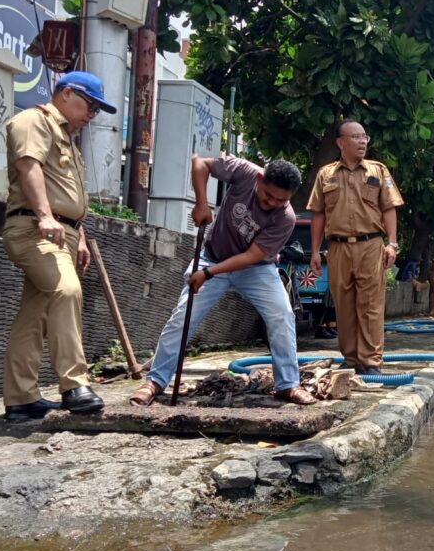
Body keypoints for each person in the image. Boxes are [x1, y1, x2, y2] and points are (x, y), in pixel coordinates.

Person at [130, 155, 315, 406]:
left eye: (281, 200)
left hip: (256, 269)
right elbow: (199, 163)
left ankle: (287, 384)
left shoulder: (285, 218)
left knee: (282, 315)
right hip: (212, 255)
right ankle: (155, 381)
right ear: (259, 179)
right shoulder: (245, 172)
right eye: (268, 196)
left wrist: (209, 273)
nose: (272, 203)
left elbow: (251, 256)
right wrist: (201, 203)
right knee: (183, 317)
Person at [2, 71, 114, 421]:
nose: (92, 115)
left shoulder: (66, 138)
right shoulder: (33, 120)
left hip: (60, 232)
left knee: (33, 315)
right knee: (67, 290)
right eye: (89, 105)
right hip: (34, 229)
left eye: (96, 110)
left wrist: (77, 233)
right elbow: (28, 168)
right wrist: (46, 217)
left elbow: (68, 196)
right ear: (66, 93)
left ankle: (21, 398)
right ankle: (74, 384)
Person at [307, 120, 404, 375]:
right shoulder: (325, 175)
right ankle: (351, 360)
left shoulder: (378, 171)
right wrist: (316, 251)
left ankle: (371, 361)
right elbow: (318, 214)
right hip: (338, 247)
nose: (362, 142)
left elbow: (389, 208)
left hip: (371, 245)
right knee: (344, 305)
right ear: (341, 142)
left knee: (371, 304)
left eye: (364, 137)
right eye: (356, 137)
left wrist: (391, 244)